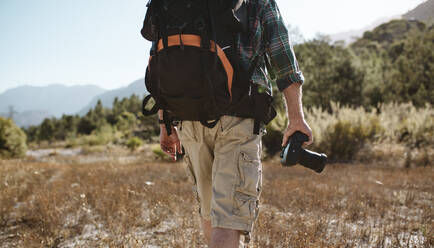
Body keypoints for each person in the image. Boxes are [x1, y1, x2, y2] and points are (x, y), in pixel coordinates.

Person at [157, 0, 313, 247]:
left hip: (190, 119)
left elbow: (164, 60)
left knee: (210, 212)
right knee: (228, 219)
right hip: (238, 117)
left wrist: (166, 122)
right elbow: (283, 59)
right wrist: (296, 118)